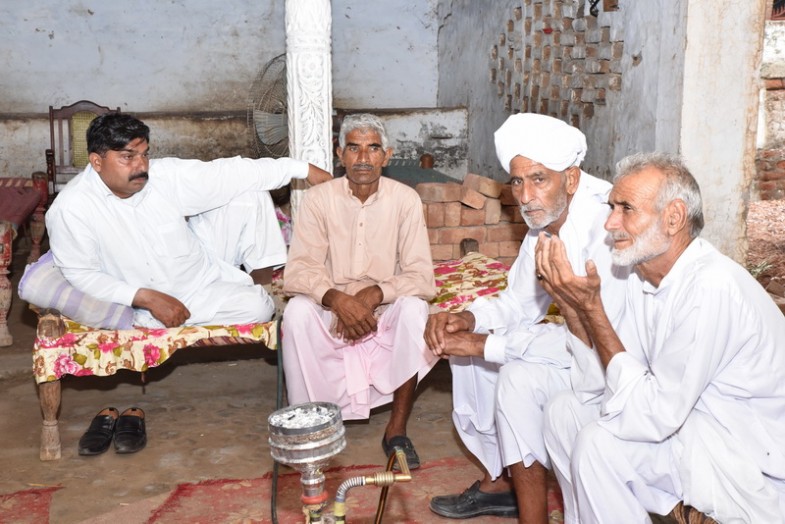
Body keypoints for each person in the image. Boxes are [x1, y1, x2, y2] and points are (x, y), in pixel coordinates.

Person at [45, 113, 332, 456]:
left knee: (248, 197)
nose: (141, 166)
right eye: (128, 157)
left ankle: (260, 283)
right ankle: (184, 309)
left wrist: (305, 170)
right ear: (96, 161)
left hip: (201, 269)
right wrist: (146, 298)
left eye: (144, 154)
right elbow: (80, 274)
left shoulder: (162, 176)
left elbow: (233, 170)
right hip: (144, 299)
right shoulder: (71, 209)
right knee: (254, 308)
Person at [539, 152, 785, 523]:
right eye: (611, 208)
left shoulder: (710, 287)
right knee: (565, 413)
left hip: (746, 460)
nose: (610, 223)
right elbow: (603, 385)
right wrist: (572, 308)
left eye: (626, 209)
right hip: (693, 434)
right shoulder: (642, 278)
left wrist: (593, 310)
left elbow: (655, 414)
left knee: (597, 445)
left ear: (674, 218)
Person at [424, 113, 628, 522]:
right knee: (515, 379)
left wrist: (486, 344)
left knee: (503, 360)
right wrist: (468, 318)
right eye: (517, 182)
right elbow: (517, 302)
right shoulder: (544, 223)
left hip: (623, 371)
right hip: (585, 364)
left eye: (539, 179)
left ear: (570, 179)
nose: (525, 195)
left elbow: (596, 335)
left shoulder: (606, 227)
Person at [281, 113, 437, 469]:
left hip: (383, 306)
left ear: (387, 155)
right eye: (354, 148)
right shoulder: (319, 199)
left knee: (414, 309)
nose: (363, 158)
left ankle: (396, 430)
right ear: (340, 154)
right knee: (296, 313)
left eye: (372, 149)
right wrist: (338, 300)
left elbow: (421, 276)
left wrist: (375, 294)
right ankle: (313, 425)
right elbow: (300, 270)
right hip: (331, 308)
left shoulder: (405, 199)